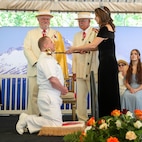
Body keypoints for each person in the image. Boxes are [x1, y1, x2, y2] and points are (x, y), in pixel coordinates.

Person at [66, 6, 121, 117]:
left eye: (96, 16)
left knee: (106, 92)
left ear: (101, 16)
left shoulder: (105, 28)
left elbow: (93, 45)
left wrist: (74, 49)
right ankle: (110, 116)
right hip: (107, 63)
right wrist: (82, 49)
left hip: (107, 64)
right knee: (108, 91)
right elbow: (97, 47)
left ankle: (106, 116)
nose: (95, 18)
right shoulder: (108, 28)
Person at [16, 36, 68, 135]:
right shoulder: (46, 60)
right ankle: (27, 119)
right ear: (45, 45)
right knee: (56, 125)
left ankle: (28, 120)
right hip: (49, 96)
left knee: (55, 123)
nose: (54, 44)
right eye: (51, 42)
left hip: (51, 96)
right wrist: (63, 89)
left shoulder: (48, 58)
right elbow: (52, 79)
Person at [24, 10, 68, 115]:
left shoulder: (56, 34)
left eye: (47, 19)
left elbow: (59, 52)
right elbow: (27, 49)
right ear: (38, 19)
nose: (45, 21)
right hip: (34, 71)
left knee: (50, 97)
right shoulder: (31, 33)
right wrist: (38, 63)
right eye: (43, 18)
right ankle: (32, 122)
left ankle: (46, 121)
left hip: (51, 72)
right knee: (33, 97)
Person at [72, 12, 98, 121]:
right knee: (80, 98)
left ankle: (97, 119)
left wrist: (85, 49)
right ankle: (82, 120)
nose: (81, 22)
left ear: (89, 21)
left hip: (92, 69)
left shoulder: (95, 33)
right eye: (79, 21)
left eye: (83, 20)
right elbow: (74, 54)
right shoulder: (76, 35)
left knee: (95, 96)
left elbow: (96, 48)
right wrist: (74, 71)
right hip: (80, 70)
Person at [121, 49, 142, 113]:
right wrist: (130, 88)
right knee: (125, 96)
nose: (133, 55)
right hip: (130, 88)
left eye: (135, 54)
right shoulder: (127, 68)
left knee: (136, 97)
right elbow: (125, 81)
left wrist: (136, 90)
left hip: (139, 88)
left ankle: (138, 118)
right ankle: (126, 118)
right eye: (131, 54)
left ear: (139, 56)